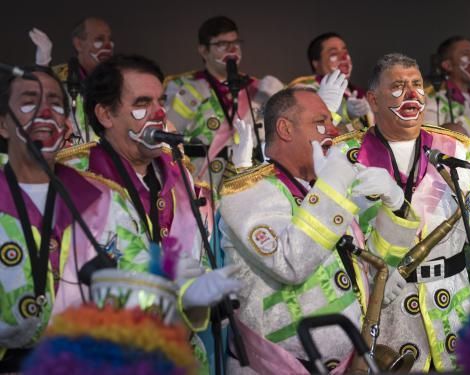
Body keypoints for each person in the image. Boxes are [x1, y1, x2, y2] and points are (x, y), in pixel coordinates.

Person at [334, 53, 470, 371]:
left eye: (417, 85)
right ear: (373, 99)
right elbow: (337, 244)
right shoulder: (345, 156)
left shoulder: (455, 149)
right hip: (387, 313)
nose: (412, 94)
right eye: (398, 86)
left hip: (454, 309)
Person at [58, 54, 242, 372]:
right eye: (143, 103)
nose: (159, 114)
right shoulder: (73, 181)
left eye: (162, 101)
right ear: (105, 114)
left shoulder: (180, 176)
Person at [218, 86, 418, 373]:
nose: (334, 132)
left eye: (332, 122)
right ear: (285, 129)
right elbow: (290, 263)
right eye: (320, 122)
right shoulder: (248, 192)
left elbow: (374, 264)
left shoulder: (320, 189)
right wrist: (333, 184)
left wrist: (396, 205)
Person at [0, 65, 143, 372]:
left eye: (54, 103)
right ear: (2, 124)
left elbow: (138, 282)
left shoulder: (104, 198)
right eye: (29, 101)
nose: (44, 113)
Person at [164, 16, 282, 198]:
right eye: (222, 44)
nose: (232, 49)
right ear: (203, 51)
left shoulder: (258, 88)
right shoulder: (184, 87)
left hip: (249, 183)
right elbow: (167, 139)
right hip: (202, 185)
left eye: (236, 42)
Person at [29, 17, 115, 143]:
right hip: (70, 159)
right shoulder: (56, 78)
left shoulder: (121, 79)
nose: (108, 45)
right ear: (79, 44)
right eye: (99, 40)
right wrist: (42, 64)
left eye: (110, 39)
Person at [424, 36, 470, 166]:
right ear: (447, 65)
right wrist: (465, 123)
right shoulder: (433, 97)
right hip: (448, 179)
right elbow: (428, 141)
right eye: (466, 53)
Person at [288, 32, 372, 133]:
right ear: (316, 64)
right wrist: (345, 113)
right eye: (334, 54)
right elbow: (303, 132)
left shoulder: (361, 93)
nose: (344, 57)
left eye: (345, 52)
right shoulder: (303, 90)